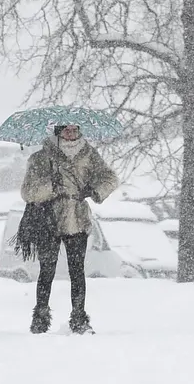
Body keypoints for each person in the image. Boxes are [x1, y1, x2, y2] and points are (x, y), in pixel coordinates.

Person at [19, 123, 120, 334]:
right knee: (47, 270)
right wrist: (51, 187)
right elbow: (28, 192)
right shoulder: (40, 157)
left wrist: (94, 190)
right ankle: (40, 316)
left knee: (77, 271)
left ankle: (79, 317)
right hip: (49, 219)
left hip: (77, 217)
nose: (72, 134)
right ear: (58, 132)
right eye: (67, 130)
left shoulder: (88, 154)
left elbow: (110, 178)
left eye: (75, 130)